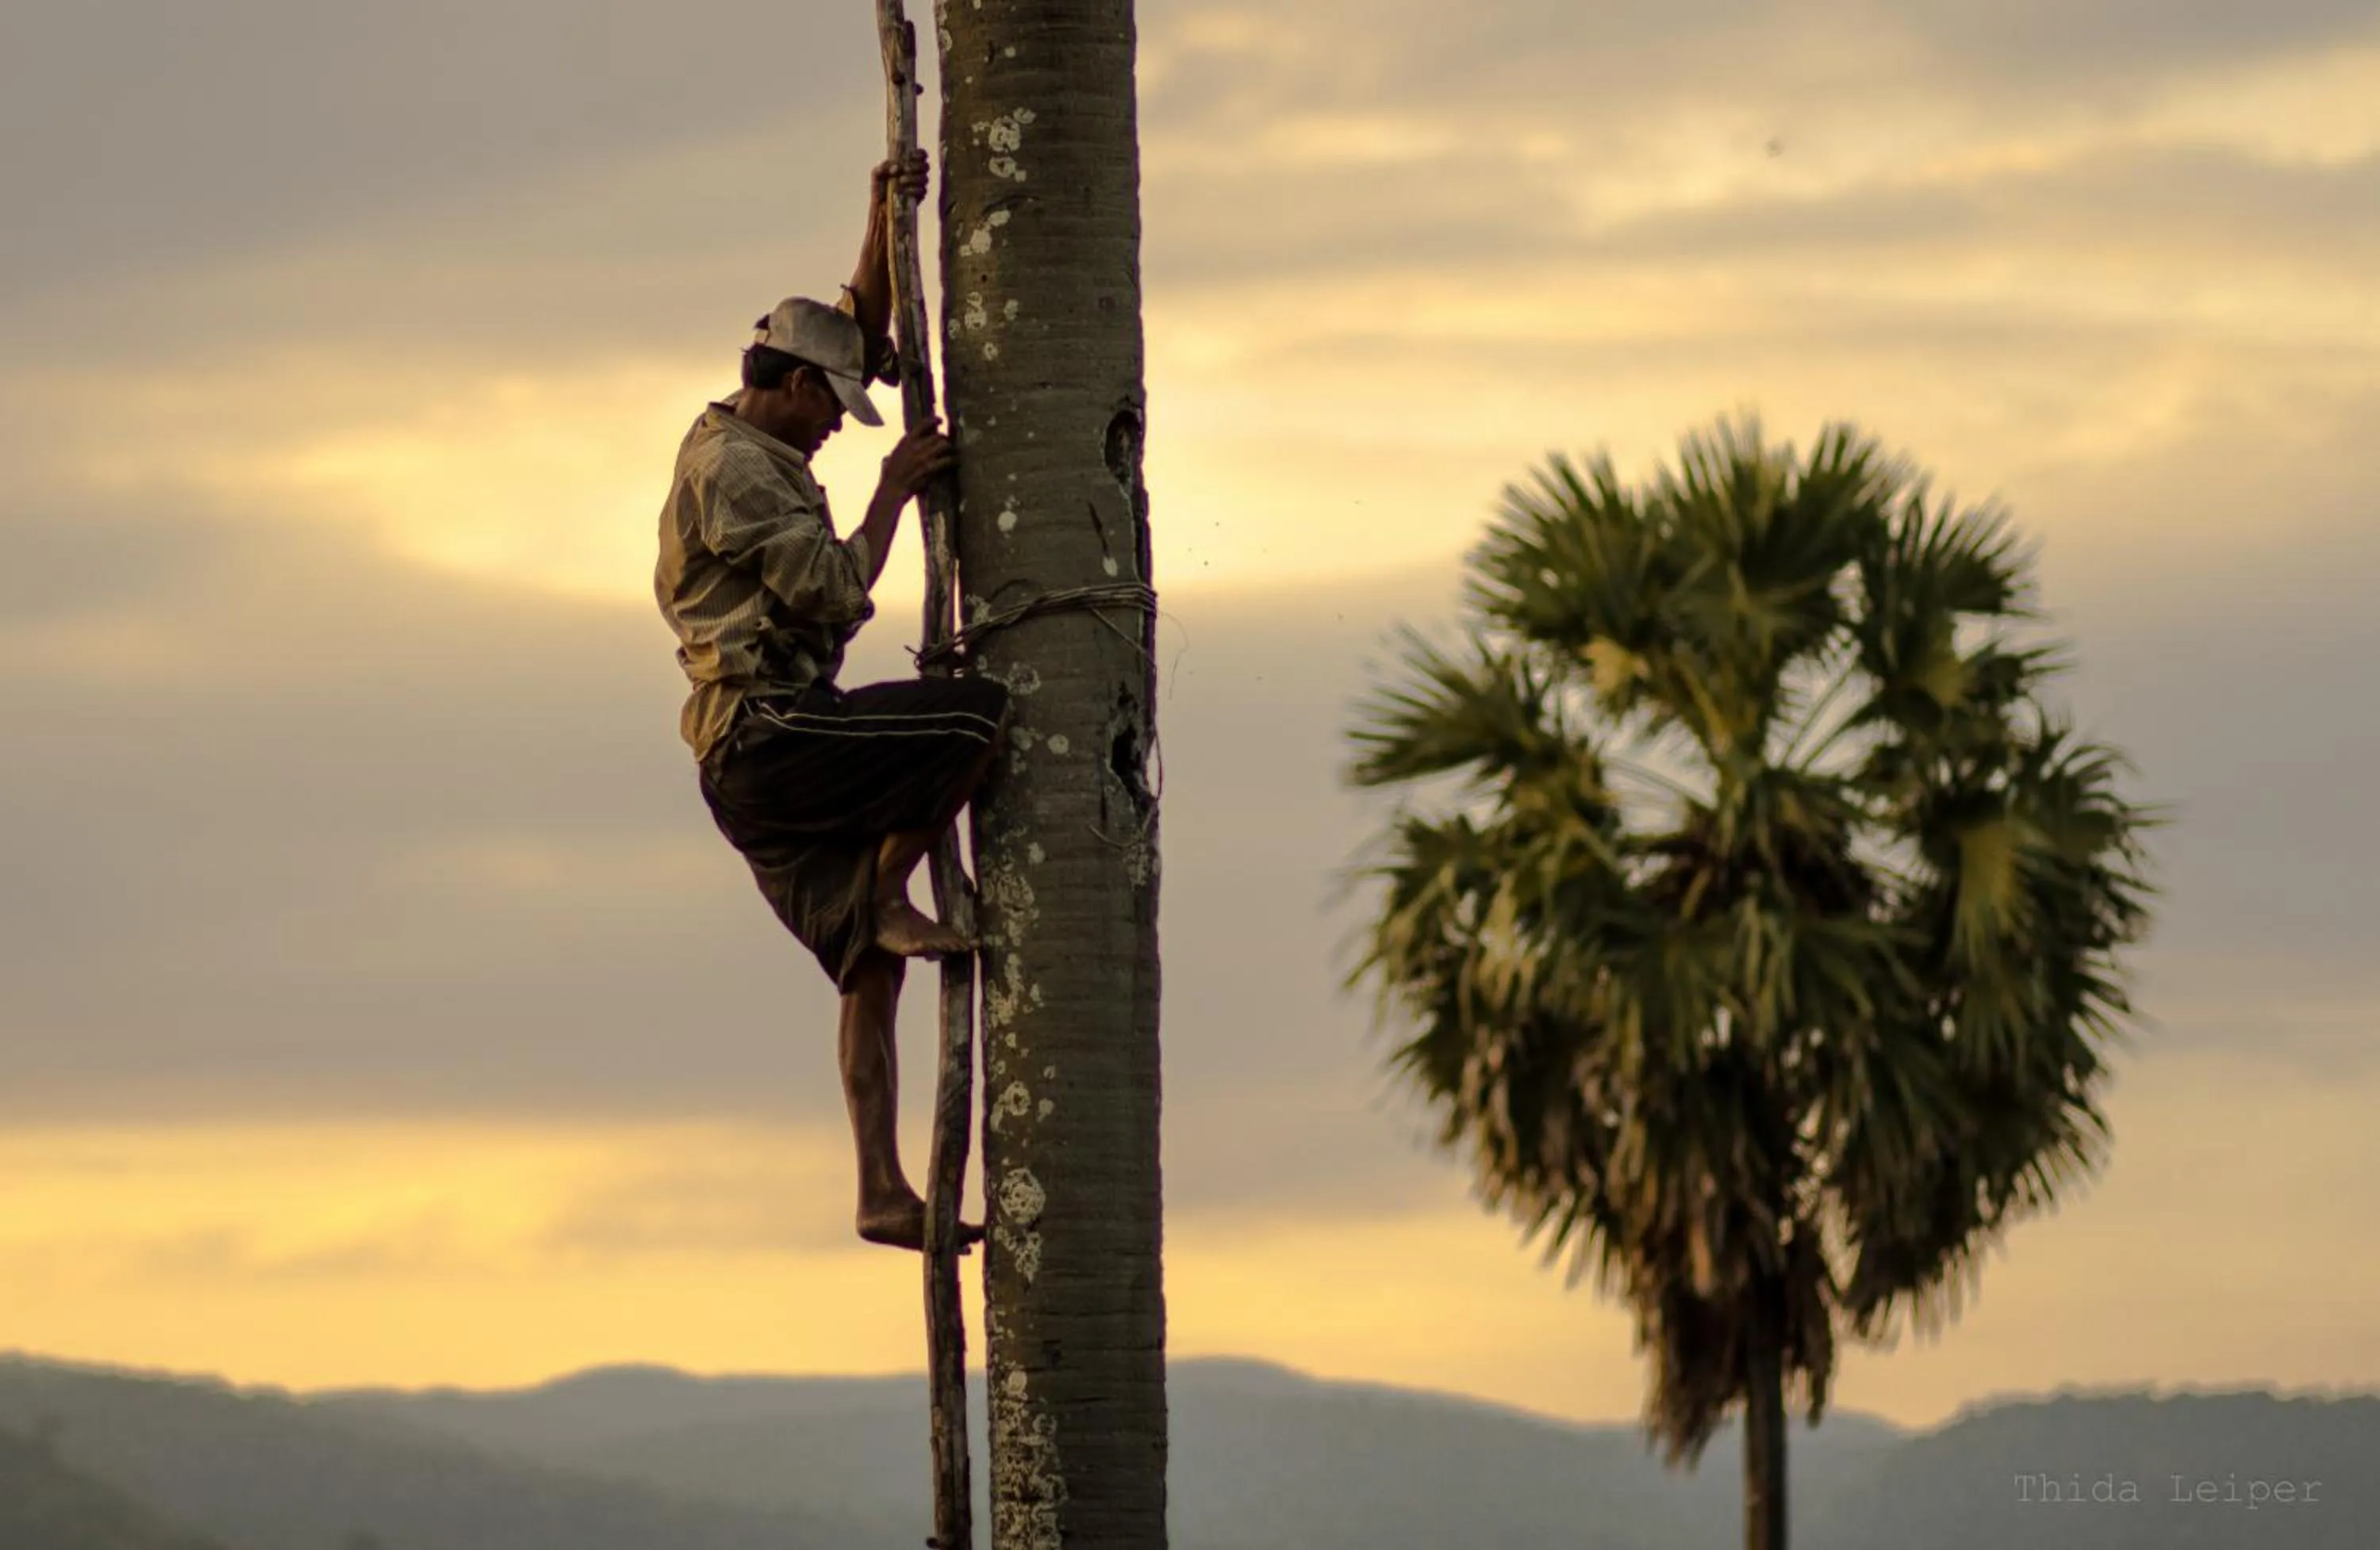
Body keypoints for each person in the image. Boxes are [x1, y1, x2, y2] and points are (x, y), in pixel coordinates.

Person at [654, 149, 1008, 1253]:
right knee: (974, 716)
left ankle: (880, 1190)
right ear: (794, 386)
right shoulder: (736, 471)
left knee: (866, 966)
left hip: (749, 757)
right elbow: (836, 590)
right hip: (769, 733)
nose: (839, 431)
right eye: (833, 410)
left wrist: (881, 206)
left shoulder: (759, 423)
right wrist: (894, 490)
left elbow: (856, 316)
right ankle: (890, 884)